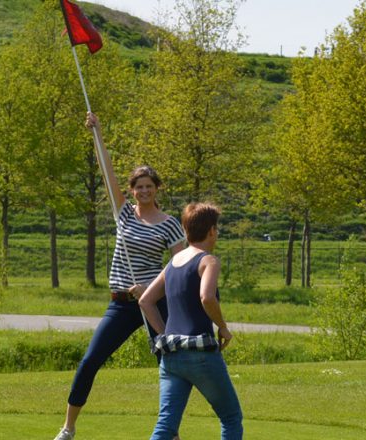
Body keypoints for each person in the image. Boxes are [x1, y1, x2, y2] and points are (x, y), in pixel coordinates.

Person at [53, 113, 185, 440]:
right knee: (89, 361)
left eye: (149, 187)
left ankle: (171, 432)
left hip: (154, 303)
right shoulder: (123, 212)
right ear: (132, 190)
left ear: (157, 190)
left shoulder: (170, 223)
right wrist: (97, 132)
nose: (143, 191)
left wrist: (151, 289)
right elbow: (107, 173)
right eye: (138, 187)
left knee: (169, 367)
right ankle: (68, 428)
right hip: (122, 304)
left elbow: (180, 266)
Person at [139, 202, 243, 440]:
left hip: (171, 356)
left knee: (166, 425)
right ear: (212, 231)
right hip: (201, 354)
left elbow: (145, 301)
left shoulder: (173, 263)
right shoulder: (208, 261)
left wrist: (166, 334)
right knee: (231, 418)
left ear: (185, 231)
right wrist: (224, 328)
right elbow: (206, 297)